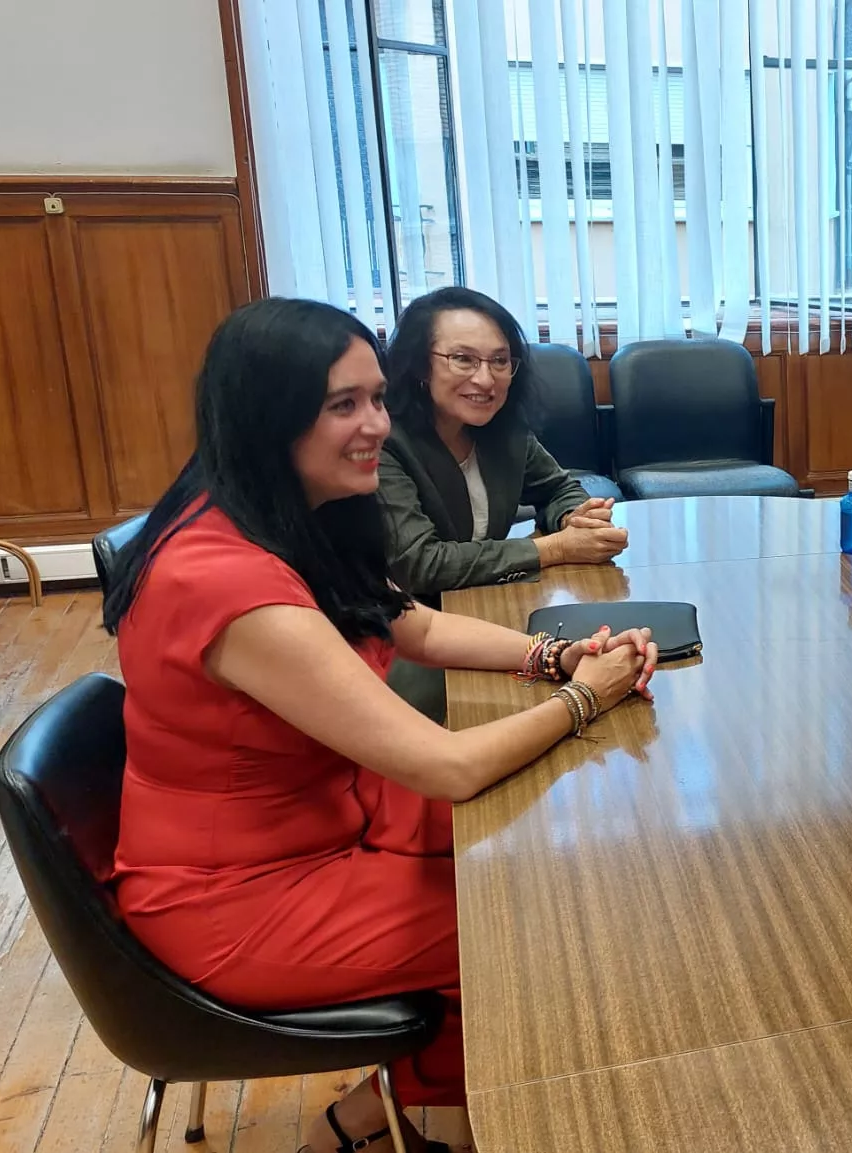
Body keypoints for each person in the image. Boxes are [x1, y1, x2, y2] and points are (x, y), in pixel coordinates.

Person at [104, 298, 659, 1153]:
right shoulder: (224, 581)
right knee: (525, 928)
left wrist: (556, 654)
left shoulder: (289, 513)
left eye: (376, 399)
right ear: (267, 417)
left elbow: (420, 627)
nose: (375, 426)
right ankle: (454, 1120)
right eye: (342, 406)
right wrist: (585, 695)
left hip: (322, 822)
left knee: (546, 859)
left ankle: (385, 1113)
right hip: (237, 896)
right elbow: (446, 766)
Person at [379, 286, 629, 601]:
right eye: (463, 359)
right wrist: (557, 547)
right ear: (419, 366)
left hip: (488, 598)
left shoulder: (503, 429)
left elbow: (558, 489)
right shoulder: (384, 442)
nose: (485, 379)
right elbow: (420, 564)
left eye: (499, 360)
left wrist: (576, 518)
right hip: (409, 623)